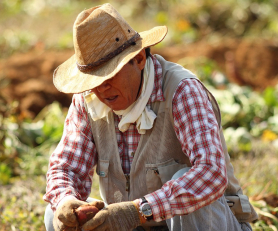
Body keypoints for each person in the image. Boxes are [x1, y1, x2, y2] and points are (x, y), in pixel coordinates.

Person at [43, 3, 258, 231]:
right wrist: (66, 200)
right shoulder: (88, 101)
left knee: (192, 186)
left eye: (109, 75)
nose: (102, 89)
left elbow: (211, 172)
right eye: (94, 80)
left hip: (206, 224)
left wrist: (138, 211)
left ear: (139, 60)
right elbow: (66, 168)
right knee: (56, 213)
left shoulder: (182, 91)